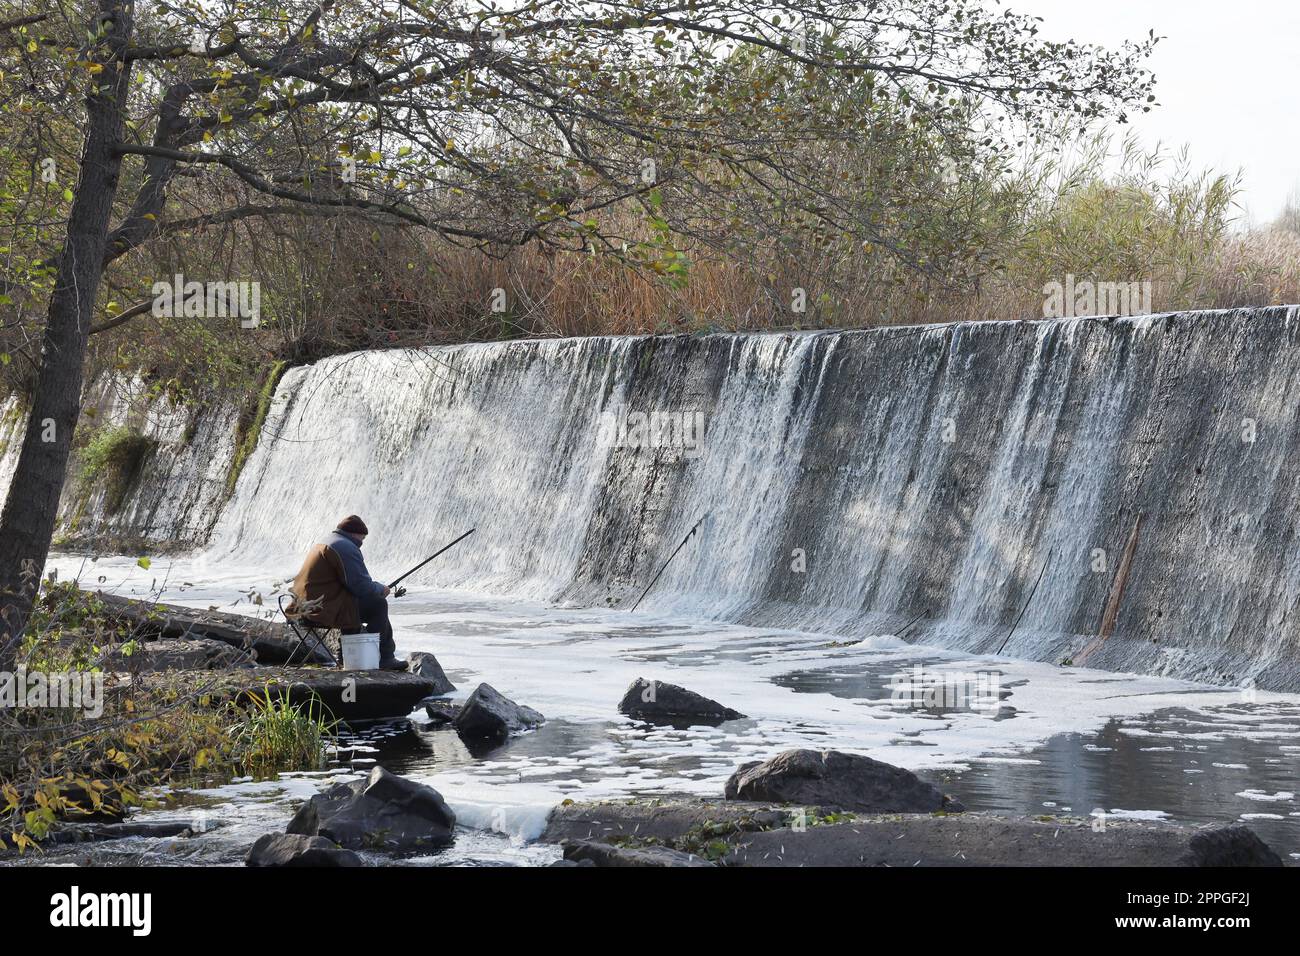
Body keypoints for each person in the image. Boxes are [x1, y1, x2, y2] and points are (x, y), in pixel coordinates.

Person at [288, 514, 407, 671]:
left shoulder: (327, 541)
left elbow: (351, 585)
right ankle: (384, 657)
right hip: (319, 610)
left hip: (302, 607)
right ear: (355, 534)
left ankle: (346, 656)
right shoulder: (345, 547)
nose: (361, 543)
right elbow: (361, 586)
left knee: (350, 603)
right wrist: (381, 589)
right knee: (377, 604)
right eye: (362, 539)